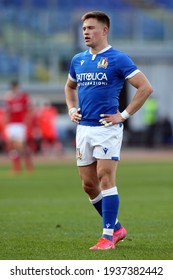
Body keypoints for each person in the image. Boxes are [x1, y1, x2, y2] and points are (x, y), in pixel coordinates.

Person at [64, 11, 153, 250]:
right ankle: (117, 227)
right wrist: (72, 109)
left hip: (107, 128)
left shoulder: (118, 59)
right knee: (88, 185)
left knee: (105, 177)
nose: (86, 32)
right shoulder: (78, 60)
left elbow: (145, 88)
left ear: (104, 30)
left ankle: (107, 237)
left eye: (91, 28)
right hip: (84, 129)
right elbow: (69, 86)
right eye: (84, 28)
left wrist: (123, 115)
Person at [4, 80, 34, 173]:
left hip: (20, 124)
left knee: (21, 146)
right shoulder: (9, 98)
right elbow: (7, 112)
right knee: (12, 147)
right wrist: (6, 123)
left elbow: (29, 109)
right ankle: (16, 167)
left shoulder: (23, 97)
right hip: (11, 125)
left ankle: (28, 165)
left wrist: (27, 120)